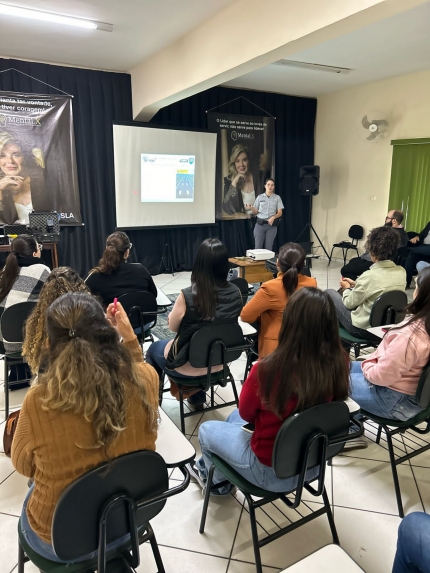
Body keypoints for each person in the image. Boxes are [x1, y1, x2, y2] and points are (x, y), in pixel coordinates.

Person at [11, 293, 159, 564]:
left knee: (34, 487)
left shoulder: (39, 401)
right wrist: (130, 339)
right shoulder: (147, 379)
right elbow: (138, 368)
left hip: (60, 541)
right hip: (131, 519)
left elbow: (23, 466)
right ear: (107, 335)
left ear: (48, 344)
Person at [186, 288, 349, 495]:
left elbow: (247, 413)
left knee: (207, 429)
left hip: (269, 472)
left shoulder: (267, 369)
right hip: (313, 464)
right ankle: (217, 475)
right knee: (232, 419)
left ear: (289, 323)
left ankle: (216, 484)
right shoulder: (340, 361)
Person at [145, 238, 242, 405]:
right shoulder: (236, 292)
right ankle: (197, 398)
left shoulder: (188, 295)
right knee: (203, 342)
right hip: (220, 362)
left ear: (199, 265)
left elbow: (173, 328)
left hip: (186, 365)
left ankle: (154, 404)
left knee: (153, 350)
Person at [349, 266, 430, 421]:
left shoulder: (409, 337)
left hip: (395, 401)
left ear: (421, 294)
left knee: (329, 381)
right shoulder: (423, 326)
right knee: (341, 368)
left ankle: (349, 427)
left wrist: (367, 364)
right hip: (412, 394)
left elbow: (380, 376)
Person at [326, 226, 406, 340]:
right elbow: (379, 289)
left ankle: (329, 337)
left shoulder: (369, 276)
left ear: (372, 251)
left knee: (330, 293)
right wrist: (356, 284)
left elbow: (349, 303)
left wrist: (347, 288)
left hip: (362, 330)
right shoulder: (401, 272)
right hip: (387, 327)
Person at [240, 242, 317, 357]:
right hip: (303, 347)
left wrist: (262, 314)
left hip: (275, 351)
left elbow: (246, 315)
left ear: (277, 263)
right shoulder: (312, 283)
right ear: (303, 264)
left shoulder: (270, 288)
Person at [22, 267, 90, 374]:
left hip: (48, 378)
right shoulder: (87, 318)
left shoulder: (37, 322)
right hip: (85, 378)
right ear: (80, 290)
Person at [0, 234, 50, 354]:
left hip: (3, 342)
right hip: (29, 344)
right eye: (39, 247)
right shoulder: (42, 269)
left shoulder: (7, 270)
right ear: (34, 254)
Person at [85, 231, 157, 306]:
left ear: (106, 249)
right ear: (127, 253)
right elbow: (153, 294)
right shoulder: (141, 270)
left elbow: (80, 298)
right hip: (142, 317)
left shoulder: (95, 277)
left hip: (112, 317)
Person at [341, 210, 408, 281]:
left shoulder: (389, 234)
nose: (385, 220)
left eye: (387, 218)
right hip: (385, 262)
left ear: (394, 221)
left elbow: (377, 252)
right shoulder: (403, 234)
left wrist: (364, 256)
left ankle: (360, 285)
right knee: (353, 260)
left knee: (345, 270)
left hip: (377, 262)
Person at [0, 131, 46, 225]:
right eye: (2, 155)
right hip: (11, 239)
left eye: (16, 154)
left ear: (25, 157)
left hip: (41, 239)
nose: (10, 161)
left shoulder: (43, 180)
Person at [223, 145, 257, 218]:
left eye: (244, 160)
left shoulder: (259, 178)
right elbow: (227, 207)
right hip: (241, 225)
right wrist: (234, 182)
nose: (241, 165)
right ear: (234, 163)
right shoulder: (229, 180)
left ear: (249, 160)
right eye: (237, 161)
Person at [252, 178, 284, 251]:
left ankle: (267, 262)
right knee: (258, 247)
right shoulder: (260, 197)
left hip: (271, 226)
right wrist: (251, 208)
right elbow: (255, 212)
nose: (270, 186)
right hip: (260, 225)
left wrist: (273, 217)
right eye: (268, 185)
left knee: (268, 248)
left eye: (272, 185)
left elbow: (280, 212)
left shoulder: (277, 198)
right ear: (265, 186)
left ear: (274, 187)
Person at [404, 220, 430, 287]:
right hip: (424, 247)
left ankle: (410, 249)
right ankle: (407, 282)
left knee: (412, 250)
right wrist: (417, 237)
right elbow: (422, 234)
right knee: (412, 255)